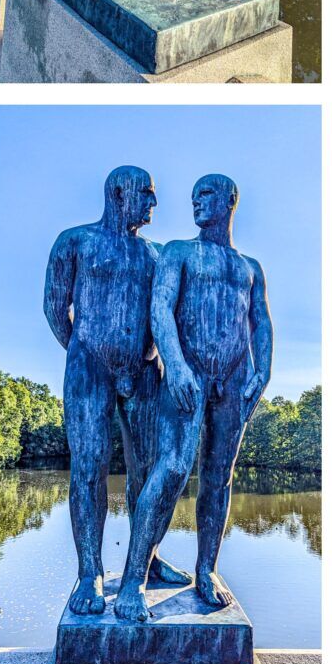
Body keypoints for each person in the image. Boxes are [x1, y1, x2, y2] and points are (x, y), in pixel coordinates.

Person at [114, 175, 272, 622]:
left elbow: (260, 323)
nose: (196, 204)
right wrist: (176, 365)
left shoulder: (250, 268)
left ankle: (206, 570)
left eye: (204, 196)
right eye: (193, 198)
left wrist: (263, 371)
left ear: (229, 200)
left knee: (219, 477)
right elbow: (160, 309)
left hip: (235, 377)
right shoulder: (178, 252)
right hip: (189, 373)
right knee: (172, 469)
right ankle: (133, 582)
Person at [43, 166, 190, 615]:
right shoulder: (76, 242)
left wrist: (141, 357)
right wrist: (88, 354)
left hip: (146, 370)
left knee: (151, 470)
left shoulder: (155, 254)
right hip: (89, 368)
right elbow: (54, 307)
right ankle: (90, 573)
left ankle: (147, 557)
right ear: (119, 193)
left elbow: (169, 312)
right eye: (146, 193)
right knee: (89, 466)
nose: (153, 203)